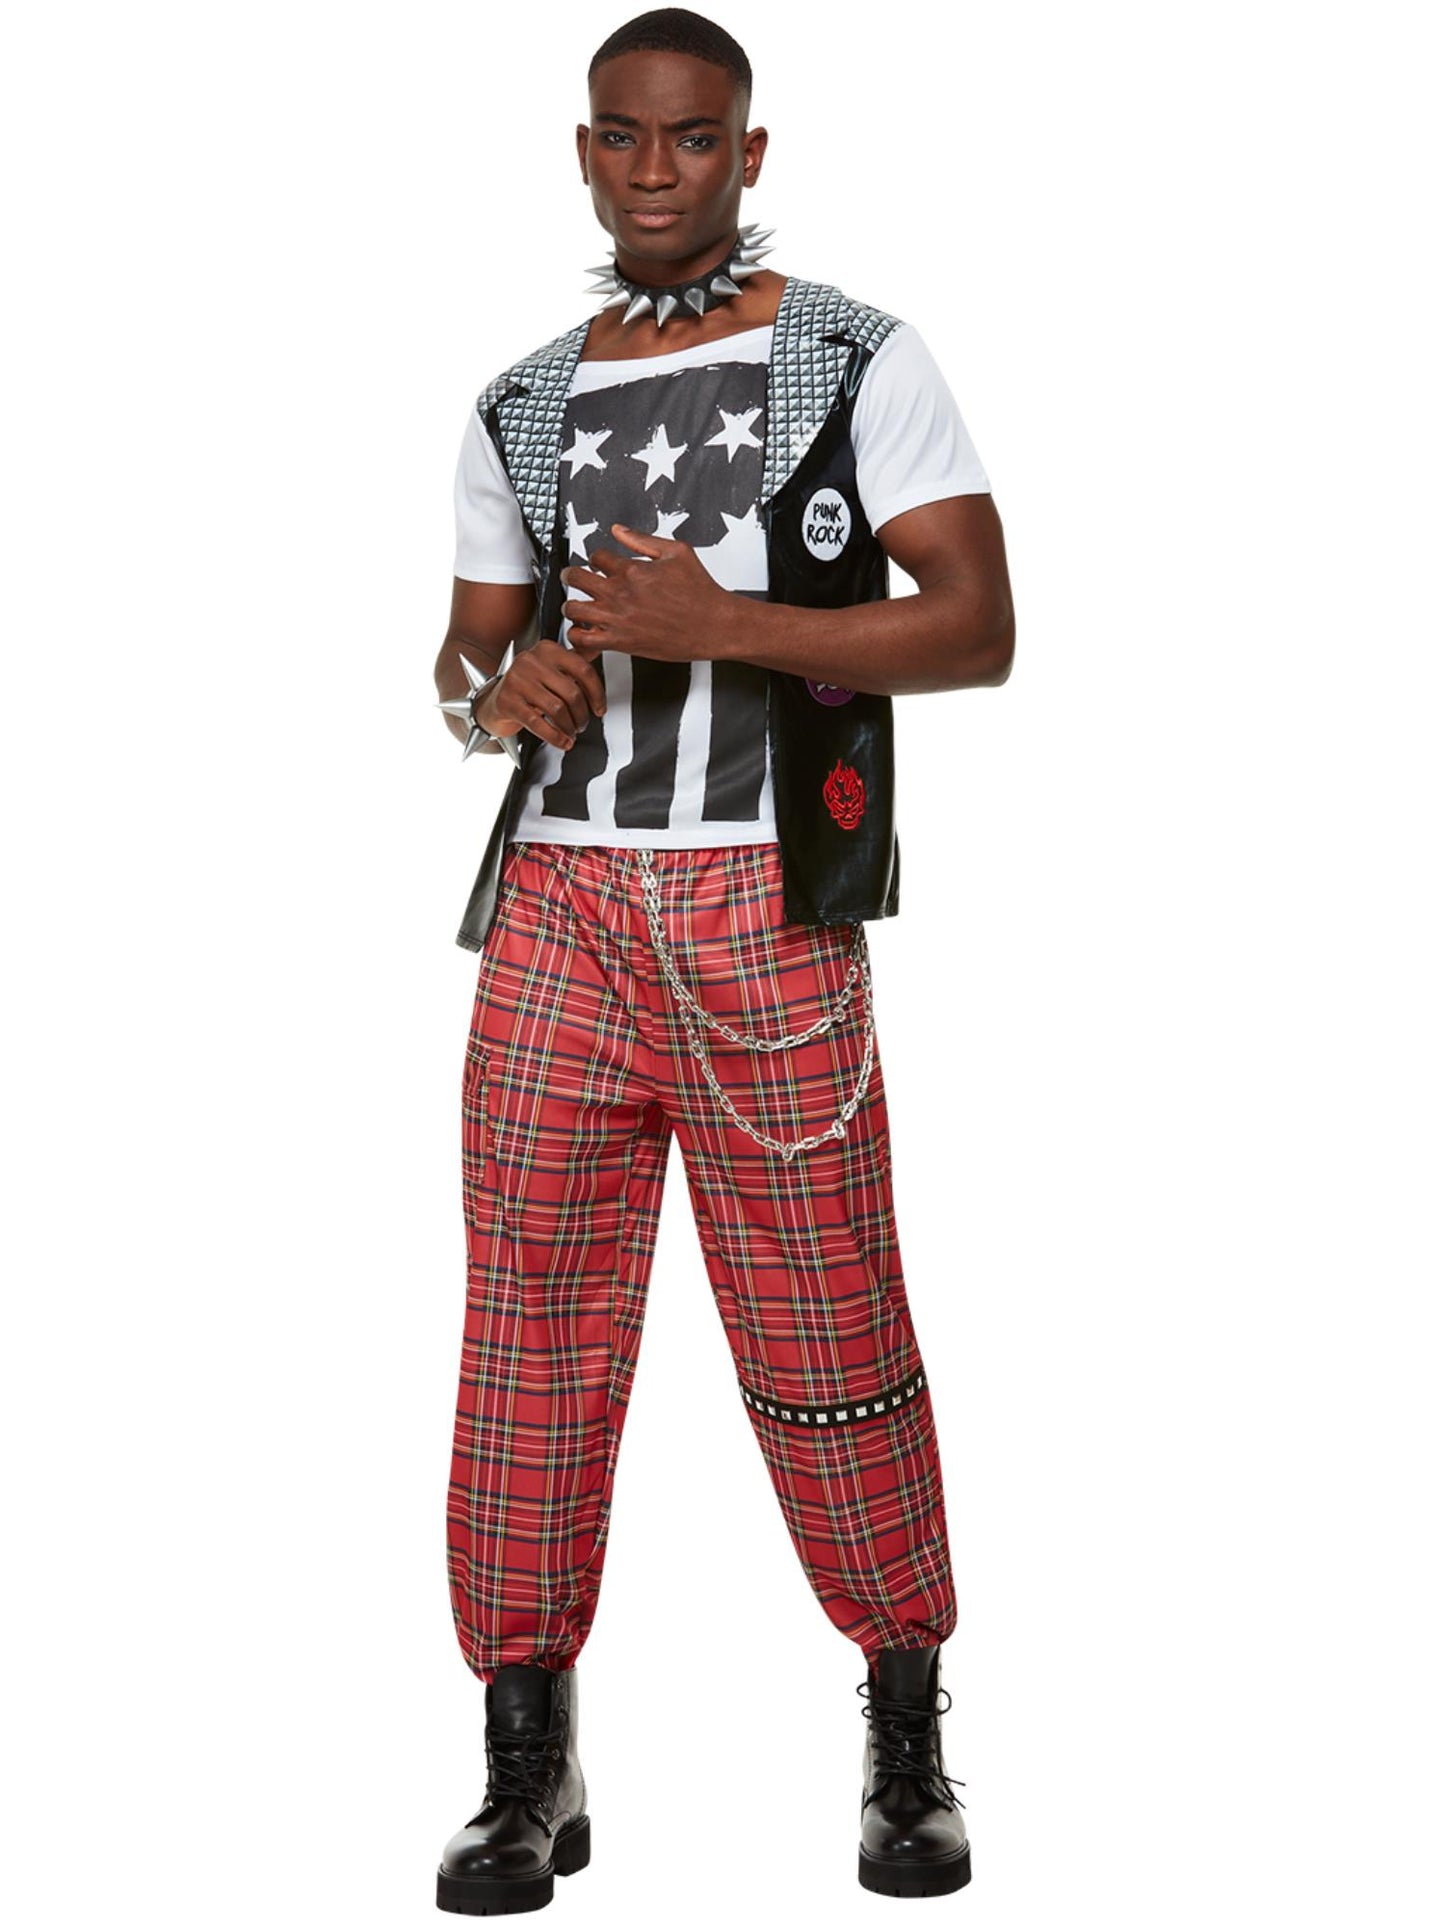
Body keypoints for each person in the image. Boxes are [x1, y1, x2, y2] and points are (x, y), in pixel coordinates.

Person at [431, 8, 1014, 1911]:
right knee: (528, 1329)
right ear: (583, 151)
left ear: (748, 152)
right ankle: (526, 1763)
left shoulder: (852, 356)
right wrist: (491, 694)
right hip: (557, 910)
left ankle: (904, 1727)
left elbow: (977, 627)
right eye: (622, 137)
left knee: (827, 1317)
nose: (655, 170)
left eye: (692, 138)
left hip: (766, 902)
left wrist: (724, 622)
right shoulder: (522, 401)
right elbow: (464, 653)